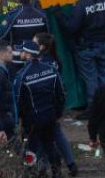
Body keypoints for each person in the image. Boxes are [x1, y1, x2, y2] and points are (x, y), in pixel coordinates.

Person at [15, 41, 73, 178]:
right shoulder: (51, 69)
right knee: (50, 145)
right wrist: (57, 113)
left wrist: (22, 119)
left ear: (28, 55)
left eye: (22, 51)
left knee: (32, 149)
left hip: (32, 120)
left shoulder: (22, 75)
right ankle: (57, 173)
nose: (20, 53)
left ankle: (37, 173)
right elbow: (61, 94)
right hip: (50, 116)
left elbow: (18, 101)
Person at [60, 0, 105, 107]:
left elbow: (71, 28)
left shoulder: (80, 6)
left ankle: (95, 107)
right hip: (103, 43)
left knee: (91, 79)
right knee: (104, 75)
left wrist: (60, 16)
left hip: (86, 48)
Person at [35, 33, 81, 175]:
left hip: (43, 104)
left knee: (40, 135)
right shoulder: (55, 60)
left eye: (34, 43)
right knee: (56, 133)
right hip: (53, 104)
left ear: (41, 47)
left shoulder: (41, 63)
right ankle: (70, 164)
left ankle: (43, 165)